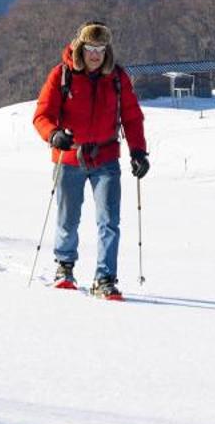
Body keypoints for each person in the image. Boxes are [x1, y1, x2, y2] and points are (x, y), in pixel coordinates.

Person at [33, 22, 149, 297]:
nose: (95, 55)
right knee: (67, 217)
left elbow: (132, 117)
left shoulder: (118, 78)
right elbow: (41, 115)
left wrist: (138, 152)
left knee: (109, 220)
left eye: (100, 49)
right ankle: (65, 267)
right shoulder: (61, 75)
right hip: (70, 156)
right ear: (80, 48)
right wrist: (54, 135)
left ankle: (105, 278)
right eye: (90, 49)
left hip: (106, 158)